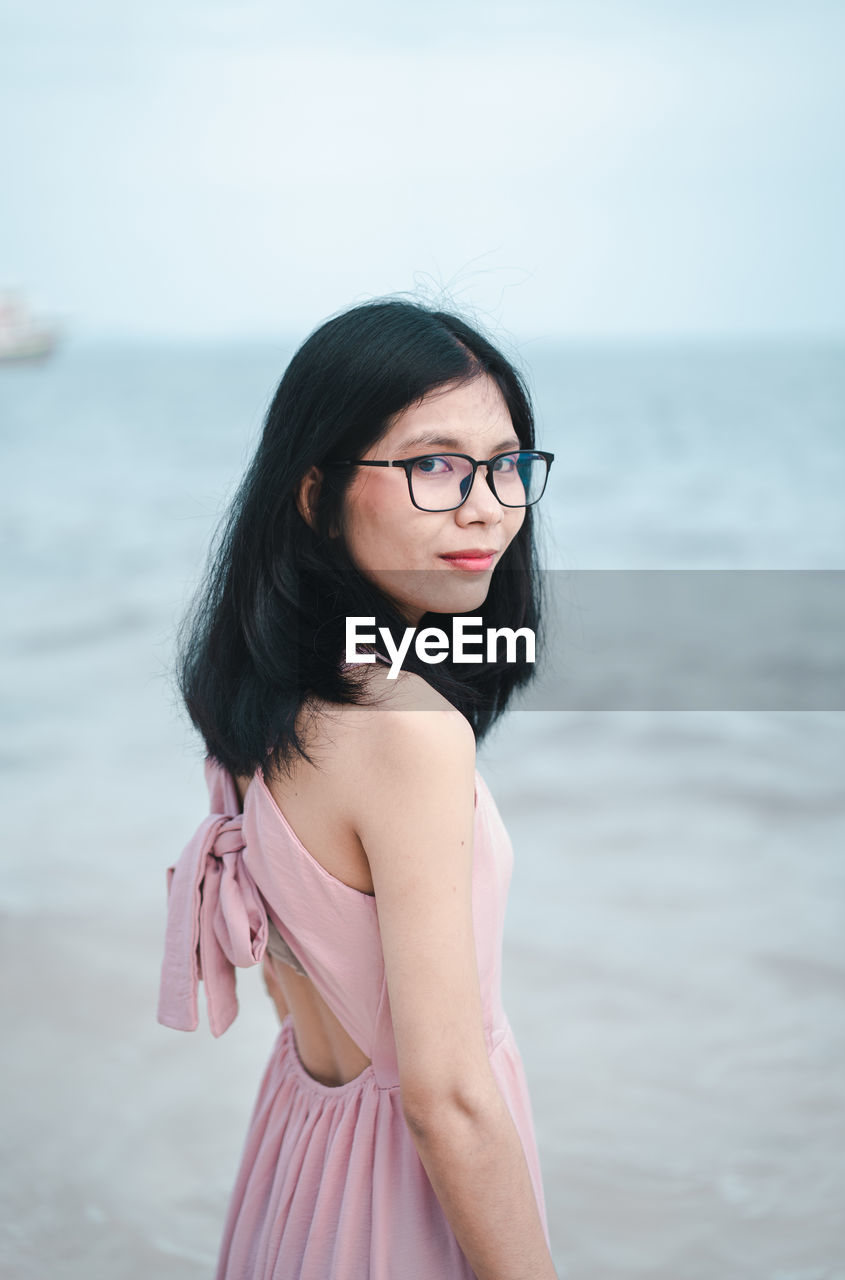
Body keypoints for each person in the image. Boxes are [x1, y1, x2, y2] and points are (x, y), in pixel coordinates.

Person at [157, 297, 558, 1280]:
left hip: (301, 1166)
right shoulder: (406, 730)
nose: (486, 504)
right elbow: (448, 1100)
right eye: (433, 465)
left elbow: (295, 991)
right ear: (315, 492)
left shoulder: (258, 701)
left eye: (507, 464)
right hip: (400, 1200)